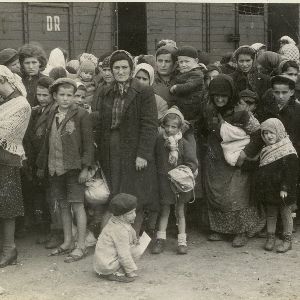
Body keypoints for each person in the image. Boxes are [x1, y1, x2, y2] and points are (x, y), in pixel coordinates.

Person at [95, 50, 158, 236]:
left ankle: (132, 236)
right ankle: (113, 237)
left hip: (133, 148)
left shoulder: (143, 90)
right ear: (111, 70)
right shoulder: (105, 91)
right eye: (116, 68)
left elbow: (149, 124)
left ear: (131, 69)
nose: (120, 71)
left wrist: (143, 154)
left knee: (133, 192)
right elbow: (101, 123)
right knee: (115, 191)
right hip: (111, 148)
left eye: (124, 67)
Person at [198, 74, 264, 247]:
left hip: (235, 159)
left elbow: (258, 134)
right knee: (215, 193)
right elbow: (203, 127)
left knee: (236, 194)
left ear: (231, 95)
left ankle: (241, 231)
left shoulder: (241, 112)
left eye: (224, 95)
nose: (220, 99)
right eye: (216, 95)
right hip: (214, 157)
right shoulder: (208, 108)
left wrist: (245, 153)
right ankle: (219, 229)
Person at [36, 78, 94, 262]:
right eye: (62, 95)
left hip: (74, 168)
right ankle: (68, 241)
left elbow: (88, 144)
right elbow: (46, 140)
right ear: (54, 96)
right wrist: (42, 165)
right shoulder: (51, 112)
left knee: (77, 205)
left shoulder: (81, 114)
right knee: (62, 205)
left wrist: (85, 168)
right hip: (55, 167)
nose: (66, 99)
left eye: (70, 95)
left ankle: (81, 245)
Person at [151, 106, 198, 255]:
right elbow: (155, 159)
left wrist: (183, 171)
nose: (170, 130)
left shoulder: (183, 143)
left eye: (174, 127)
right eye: (167, 126)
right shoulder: (159, 141)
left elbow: (192, 162)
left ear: (180, 128)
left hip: (179, 183)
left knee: (180, 211)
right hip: (164, 181)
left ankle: (182, 241)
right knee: (164, 210)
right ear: (163, 125)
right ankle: (160, 239)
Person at [0, 66, 31, 268]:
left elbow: (4, 133)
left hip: (7, 159)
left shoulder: (21, 105)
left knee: (7, 205)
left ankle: (9, 249)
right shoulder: (4, 102)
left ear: (4, 80)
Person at [257, 118, 298, 253]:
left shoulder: (287, 149)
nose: (268, 136)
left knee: (286, 213)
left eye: (272, 133)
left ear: (279, 132)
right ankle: (270, 237)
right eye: (265, 133)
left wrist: (284, 188)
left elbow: (290, 172)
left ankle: (287, 240)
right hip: (269, 189)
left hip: (283, 190)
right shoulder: (266, 150)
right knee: (271, 213)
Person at [23, 76, 55, 245]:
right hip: (37, 159)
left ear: (52, 95)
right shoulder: (39, 110)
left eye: (45, 95)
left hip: (47, 159)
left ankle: (52, 231)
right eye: (39, 95)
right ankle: (45, 228)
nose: (41, 98)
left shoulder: (53, 111)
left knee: (49, 197)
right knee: (41, 196)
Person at [93, 193, 140, 283]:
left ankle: (112, 270)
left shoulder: (114, 220)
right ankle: (115, 273)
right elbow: (124, 253)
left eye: (134, 211)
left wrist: (133, 236)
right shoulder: (120, 230)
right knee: (135, 251)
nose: (134, 215)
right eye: (130, 213)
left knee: (131, 247)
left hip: (102, 263)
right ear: (121, 215)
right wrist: (130, 271)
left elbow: (129, 228)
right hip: (108, 265)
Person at [169, 46, 204, 123]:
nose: (183, 65)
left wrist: (176, 87)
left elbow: (189, 85)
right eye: (181, 62)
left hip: (191, 108)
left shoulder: (197, 74)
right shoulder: (182, 72)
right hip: (182, 106)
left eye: (187, 61)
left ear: (196, 61)